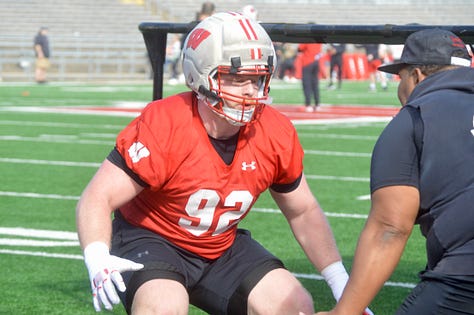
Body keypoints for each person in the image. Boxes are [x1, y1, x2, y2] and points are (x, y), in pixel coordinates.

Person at [76, 12, 374, 315]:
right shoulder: (166, 122)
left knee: (294, 305)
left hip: (220, 245)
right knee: (163, 306)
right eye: (235, 78)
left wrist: (339, 282)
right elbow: (98, 196)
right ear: (200, 76)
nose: (248, 91)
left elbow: (303, 210)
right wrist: (97, 255)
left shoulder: (274, 130)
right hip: (153, 239)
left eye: (257, 79)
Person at [315, 28, 474, 315]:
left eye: (399, 77)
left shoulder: (415, 118)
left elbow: (389, 229)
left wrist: (344, 312)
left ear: (416, 76)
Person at [298, 42, 323, 112]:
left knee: (307, 84)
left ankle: (308, 104)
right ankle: (317, 104)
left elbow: (300, 48)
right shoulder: (318, 37)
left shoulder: (307, 38)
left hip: (307, 62)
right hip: (316, 62)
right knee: (315, 84)